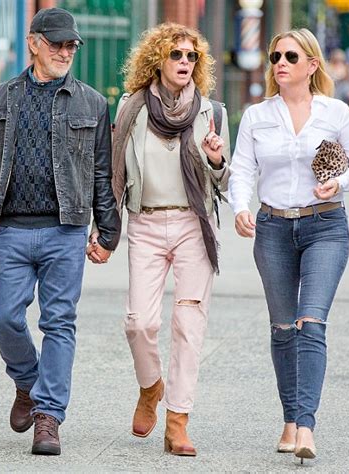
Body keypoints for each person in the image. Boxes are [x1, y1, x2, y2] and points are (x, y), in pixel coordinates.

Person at [0, 8, 120, 456]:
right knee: (2, 315)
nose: (65, 52)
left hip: (66, 229)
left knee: (58, 322)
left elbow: (102, 173)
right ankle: (28, 381)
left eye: (71, 46)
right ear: (34, 43)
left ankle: (49, 418)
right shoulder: (2, 98)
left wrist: (108, 231)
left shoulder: (92, 103)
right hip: (12, 228)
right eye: (57, 44)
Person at [229, 28, 349, 464]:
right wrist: (240, 207)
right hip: (272, 228)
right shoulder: (257, 116)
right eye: (275, 57)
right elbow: (242, 170)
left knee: (311, 322)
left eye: (291, 56)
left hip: (325, 226)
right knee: (283, 327)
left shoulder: (335, 112)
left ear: (311, 65)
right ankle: (289, 418)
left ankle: (305, 425)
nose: (281, 63)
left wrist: (339, 181)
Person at [95, 22, 230, 456]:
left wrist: (215, 159)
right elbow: (114, 173)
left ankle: (177, 421)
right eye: (177, 55)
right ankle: (151, 387)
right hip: (146, 225)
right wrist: (104, 229)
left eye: (192, 56)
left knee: (189, 325)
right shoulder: (131, 109)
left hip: (193, 224)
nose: (185, 62)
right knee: (140, 323)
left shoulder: (212, 113)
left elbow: (223, 179)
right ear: (158, 60)